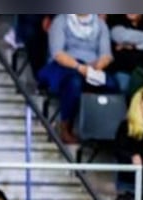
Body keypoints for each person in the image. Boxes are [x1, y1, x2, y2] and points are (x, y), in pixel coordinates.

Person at [36, 14, 118, 144]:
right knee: (74, 83)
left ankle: (104, 131)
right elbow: (57, 53)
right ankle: (64, 127)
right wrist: (79, 67)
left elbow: (106, 55)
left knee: (112, 85)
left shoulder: (100, 24)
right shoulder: (61, 21)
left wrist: (96, 66)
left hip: (92, 68)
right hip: (64, 66)